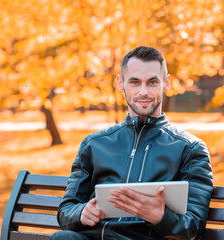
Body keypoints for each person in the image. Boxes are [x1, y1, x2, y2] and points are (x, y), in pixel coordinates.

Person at [51, 46, 213, 240]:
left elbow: (193, 227)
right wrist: (81, 213)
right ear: (121, 83)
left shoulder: (190, 149)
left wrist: (161, 217)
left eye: (152, 82)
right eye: (134, 82)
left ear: (166, 83)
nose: (143, 92)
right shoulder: (94, 144)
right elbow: (66, 211)